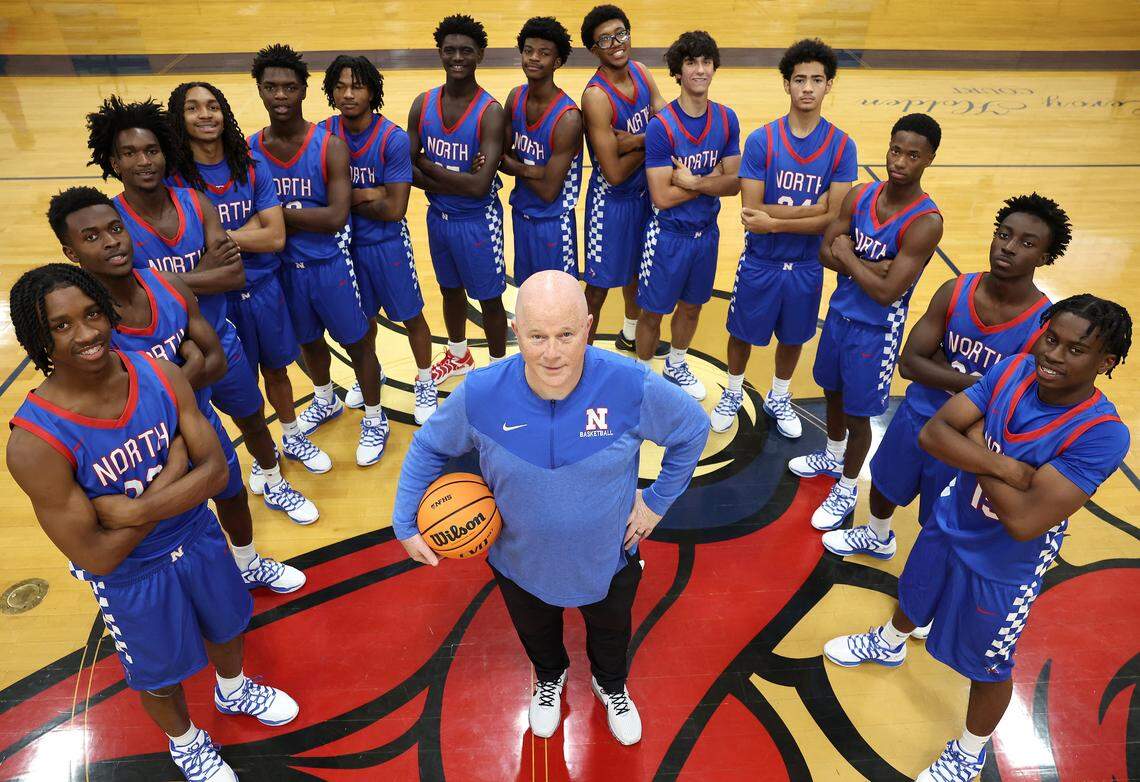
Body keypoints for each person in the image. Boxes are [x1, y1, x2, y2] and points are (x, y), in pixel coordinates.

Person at [391, 270, 709, 746]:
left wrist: (656, 503)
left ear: (589, 326)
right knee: (537, 634)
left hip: (609, 557)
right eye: (537, 336)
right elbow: (428, 447)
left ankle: (611, 684)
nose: (552, 353)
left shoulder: (629, 384)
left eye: (566, 334)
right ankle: (548, 678)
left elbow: (692, 430)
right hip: (519, 561)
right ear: (515, 332)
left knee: (611, 636)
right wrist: (403, 522)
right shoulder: (481, 394)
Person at [7, 265, 299, 782]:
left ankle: (233, 691)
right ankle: (186, 743)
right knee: (159, 673)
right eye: (62, 325)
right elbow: (96, 555)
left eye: (92, 314)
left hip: (197, 536)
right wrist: (171, 481)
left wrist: (138, 507)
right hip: (131, 576)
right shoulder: (34, 443)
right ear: (38, 338)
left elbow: (214, 473)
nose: (88, 333)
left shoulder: (158, 373)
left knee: (229, 625)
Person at [824, 295, 1130, 782]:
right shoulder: (1013, 369)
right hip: (951, 521)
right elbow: (932, 435)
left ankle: (969, 752)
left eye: (1076, 350)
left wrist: (975, 442)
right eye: (1051, 339)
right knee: (915, 590)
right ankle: (890, 641)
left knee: (988, 665)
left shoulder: (1102, 434)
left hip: (1005, 566)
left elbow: (1025, 521)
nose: (1053, 355)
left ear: (1105, 362)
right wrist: (1005, 463)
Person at [48, 187, 308, 590]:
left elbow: (216, 359)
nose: (112, 241)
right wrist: (191, 366)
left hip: (197, 423)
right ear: (71, 252)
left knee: (231, 493)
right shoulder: (87, 324)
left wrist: (181, 377)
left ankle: (248, 563)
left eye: (116, 228)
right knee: (165, 530)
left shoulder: (167, 285)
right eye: (92, 236)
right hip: (145, 449)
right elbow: (119, 406)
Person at [85, 97, 319, 515]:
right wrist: (195, 274)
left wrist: (155, 281)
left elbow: (232, 275)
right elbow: (123, 290)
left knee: (252, 418)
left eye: (152, 150)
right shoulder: (113, 222)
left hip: (218, 340)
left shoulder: (196, 202)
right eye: (130, 153)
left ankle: (274, 479)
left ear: (166, 152)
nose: (144, 161)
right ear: (114, 162)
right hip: (158, 363)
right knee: (187, 452)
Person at [823, 194, 1069, 562]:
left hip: (969, 439)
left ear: (1045, 258)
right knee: (885, 483)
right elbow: (908, 363)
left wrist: (943, 369)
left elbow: (1015, 401)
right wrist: (983, 385)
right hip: (917, 414)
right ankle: (877, 536)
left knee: (940, 515)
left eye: (1027, 243)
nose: (1009, 247)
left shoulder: (1045, 326)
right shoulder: (957, 289)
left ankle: (925, 575)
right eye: (1004, 235)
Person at [165, 80, 331, 507]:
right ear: (178, 119)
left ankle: (291, 436)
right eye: (193, 108)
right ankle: (264, 458)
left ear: (225, 113)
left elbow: (275, 236)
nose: (205, 115)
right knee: (242, 385)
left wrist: (218, 242)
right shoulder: (175, 180)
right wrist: (245, 234)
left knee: (278, 369)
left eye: (213, 106)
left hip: (264, 288)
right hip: (215, 303)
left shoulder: (251, 164)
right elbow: (219, 244)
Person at [789, 113, 944, 532]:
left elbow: (886, 292)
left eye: (913, 155)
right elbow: (825, 251)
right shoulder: (860, 195)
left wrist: (851, 256)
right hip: (840, 316)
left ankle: (847, 486)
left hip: (876, 332)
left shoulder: (925, 222)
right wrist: (869, 265)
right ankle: (832, 453)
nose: (900, 161)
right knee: (832, 392)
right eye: (896, 150)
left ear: (929, 159)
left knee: (860, 417)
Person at [250, 43, 389, 467]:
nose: (280, 95)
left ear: (304, 91)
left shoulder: (328, 145)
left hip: (330, 264)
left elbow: (335, 216)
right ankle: (326, 398)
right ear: (258, 89)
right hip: (284, 270)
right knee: (309, 343)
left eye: (289, 87)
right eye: (270, 87)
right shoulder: (252, 150)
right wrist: (283, 220)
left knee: (358, 342)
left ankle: (374, 415)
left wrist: (277, 218)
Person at [710, 38, 857, 437]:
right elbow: (751, 210)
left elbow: (835, 220)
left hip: (807, 266)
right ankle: (734, 390)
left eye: (816, 79)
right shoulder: (762, 140)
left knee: (793, 339)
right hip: (761, 262)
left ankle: (779, 395)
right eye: (799, 79)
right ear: (787, 85)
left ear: (829, 85)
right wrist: (816, 210)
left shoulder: (843, 146)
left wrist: (777, 221)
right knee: (741, 334)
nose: (807, 87)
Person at [319, 55, 439, 425]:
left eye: (356, 86)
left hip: (386, 244)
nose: (348, 93)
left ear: (373, 91)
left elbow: (394, 208)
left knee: (411, 317)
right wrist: (369, 192)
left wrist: (347, 199)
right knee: (363, 320)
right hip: (346, 245)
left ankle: (424, 380)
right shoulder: (324, 134)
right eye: (340, 86)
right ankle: (373, 372)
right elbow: (324, 196)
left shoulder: (392, 138)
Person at [636, 30, 740, 400]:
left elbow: (734, 184)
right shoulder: (662, 127)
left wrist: (693, 180)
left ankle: (676, 364)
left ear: (714, 67)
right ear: (678, 71)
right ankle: (642, 383)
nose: (700, 69)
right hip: (667, 236)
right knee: (651, 313)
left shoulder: (727, 119)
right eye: (691, 62)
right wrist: (709, 180)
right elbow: (662, 196)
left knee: (693, 307)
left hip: (706, 234)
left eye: (706, 61)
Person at [408, 14, 509, 383]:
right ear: (439, 52)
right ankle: (458, 355)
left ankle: (498, 368)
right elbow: (408, 170)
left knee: (489, 298)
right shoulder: (423, 104)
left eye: (466, 50)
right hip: (439, 218)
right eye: (449, 49)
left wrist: (428, 167)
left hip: (478, 221)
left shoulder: (491, 112)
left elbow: (480, 187)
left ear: (480, 54)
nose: (457, 57)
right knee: (450, 291)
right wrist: (459, 177)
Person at [579, 4, 669, 355]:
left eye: (621, 34)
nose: (616, 43)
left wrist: (635, 140)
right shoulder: (596, 97)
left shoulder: (643, 72)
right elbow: (614, 173)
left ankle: (630, 334)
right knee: (598, 287)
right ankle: (579, 356)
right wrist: (653, 139)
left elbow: (671, 124)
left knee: (636, 273)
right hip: (611, 204)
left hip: (645, 193)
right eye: (605, 39)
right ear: (593, 50)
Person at [500, 16, 583, 286]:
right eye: (528, 51)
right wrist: (536, 171)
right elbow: (501, 154)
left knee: (560, 300)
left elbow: (549, 191)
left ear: (557, 62)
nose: (534, 58)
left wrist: (517, 166)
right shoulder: (515, 97)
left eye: (544, 53)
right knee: (527, 293)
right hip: (522, 217)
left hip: (553, 224)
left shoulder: (568, 117)